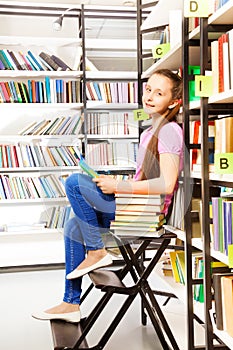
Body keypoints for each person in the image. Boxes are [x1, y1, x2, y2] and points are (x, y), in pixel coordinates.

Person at [32, 69, 183, 323]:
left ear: (173, 102)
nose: (150, 97)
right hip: (136, 205)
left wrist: (119, 187)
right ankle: (71, 303)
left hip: (146, 213)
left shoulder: (168, 131)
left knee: (74, 183)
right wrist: (114, 183)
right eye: (148, 90)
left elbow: (167, 184)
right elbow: (145, 179)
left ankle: (97, 252)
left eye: (159, 93)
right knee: (73, 224)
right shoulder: (151, 130)